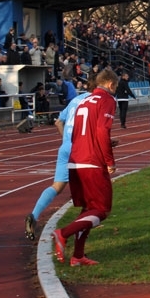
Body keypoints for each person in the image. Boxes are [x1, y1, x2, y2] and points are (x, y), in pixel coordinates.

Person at [52, 69, 118, 267]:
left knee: (89, 209)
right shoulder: (106, 100)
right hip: (91, 161)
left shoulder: (83, 100)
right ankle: (63, 233)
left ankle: (78, 255)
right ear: (109, 84)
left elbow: (76, 132)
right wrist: (109, 161)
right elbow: (101, 130)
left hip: (76, 158)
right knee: (101, 209)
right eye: (115, 85)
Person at [25, 75, 97, 240]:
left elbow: (58, 122)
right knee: (90, 186)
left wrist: (66, 140)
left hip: (65, 147)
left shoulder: (74, 100)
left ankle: (34, 215)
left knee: (57, 186)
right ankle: (82, 226)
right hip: (80, 148)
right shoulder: (95, 101)